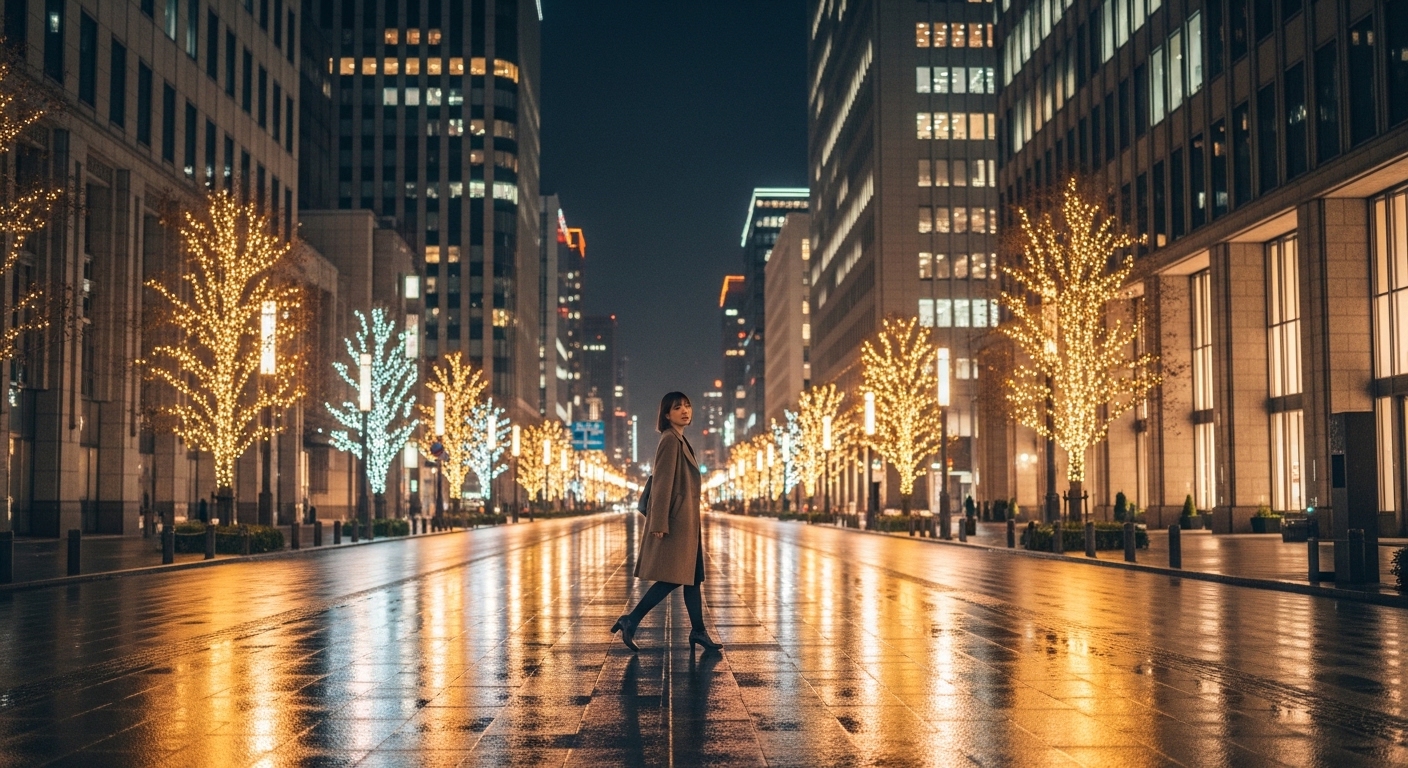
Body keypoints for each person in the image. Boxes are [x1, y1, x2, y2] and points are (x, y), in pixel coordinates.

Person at [612, 391, 723, 652]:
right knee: (674, 578)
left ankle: (698, 632)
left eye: (688, 405)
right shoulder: (670, 440)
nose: (685, 411)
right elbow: (661, 483)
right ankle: (631, 619)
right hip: (676, 523)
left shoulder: (680, 439)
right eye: (677, 408)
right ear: (666, 414)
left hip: (686, 522)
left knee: (693, 578)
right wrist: (659, 522)